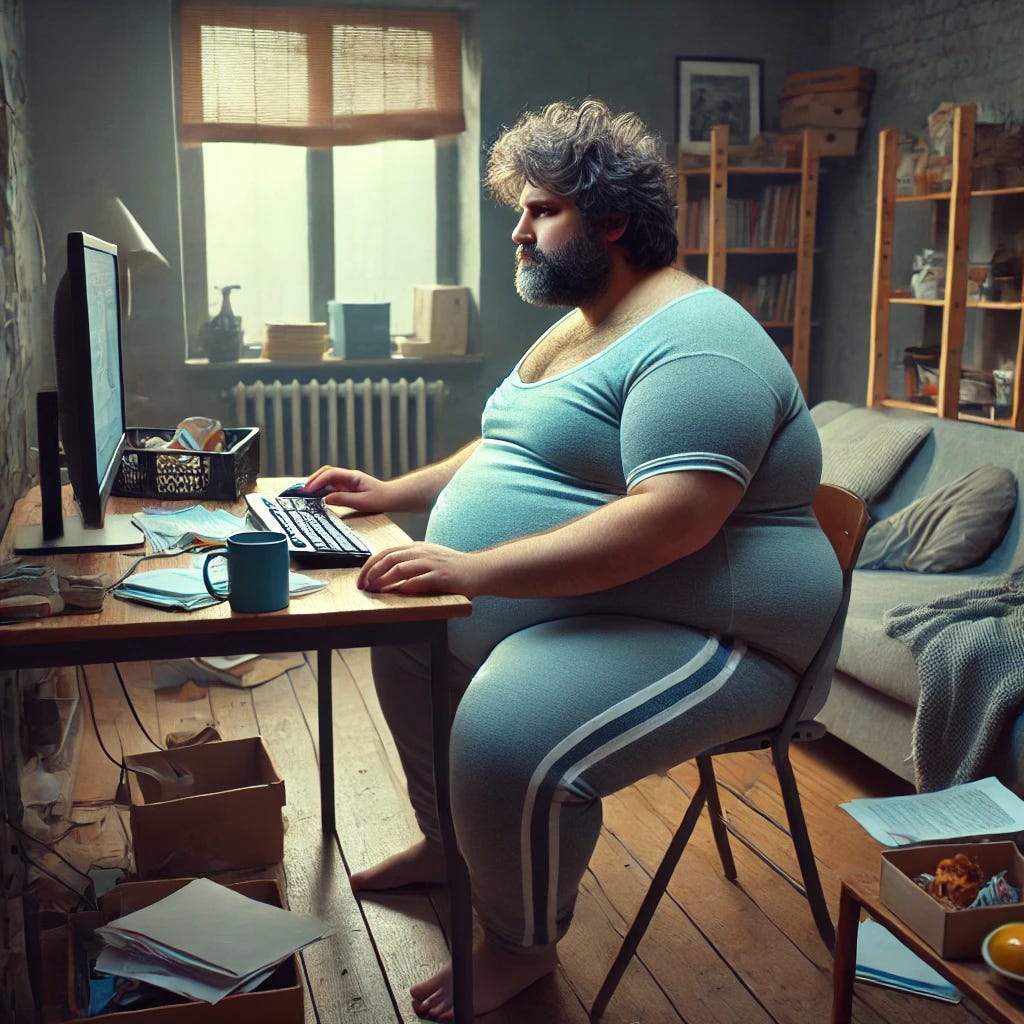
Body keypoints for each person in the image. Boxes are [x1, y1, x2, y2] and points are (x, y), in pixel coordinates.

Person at [304, 97, 840, 1020]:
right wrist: (396, 495)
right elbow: (515, 444)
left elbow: (673, 521)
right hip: (622, 606)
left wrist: (470, 570)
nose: (519, 232)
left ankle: (520, 944)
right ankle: (450, 846)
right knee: (404, 632)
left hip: (727, 634)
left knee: (510, 733)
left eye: (541, 210)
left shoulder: (698, 339)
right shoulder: (586, 321)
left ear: (613, 219)